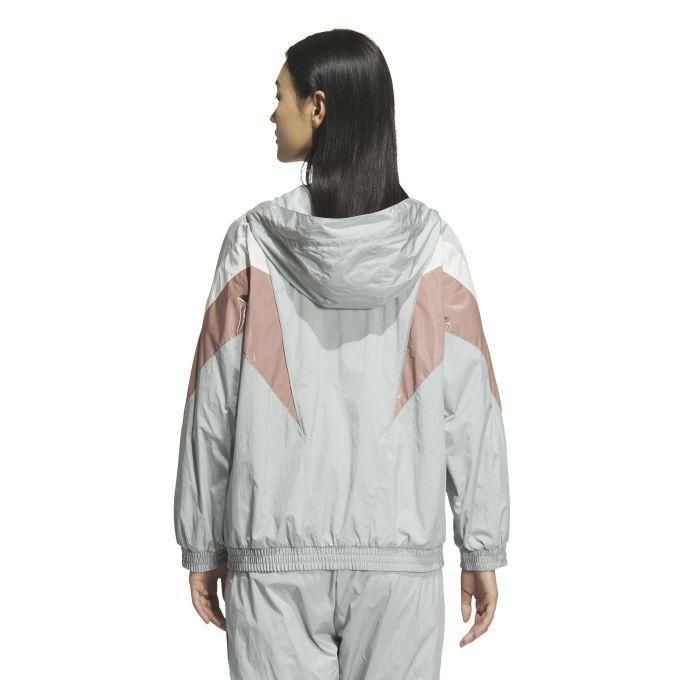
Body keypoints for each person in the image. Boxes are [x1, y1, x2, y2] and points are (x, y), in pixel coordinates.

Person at [173, 28, 510, 680]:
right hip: (400, 567)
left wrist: (202, 544)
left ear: (318, 106)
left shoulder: (252, 245)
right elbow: (473, 411)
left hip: (272, 561)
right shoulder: (435, 248)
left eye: (282, 97)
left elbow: (211, 405)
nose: (274, 114)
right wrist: (481, 546)